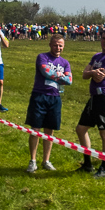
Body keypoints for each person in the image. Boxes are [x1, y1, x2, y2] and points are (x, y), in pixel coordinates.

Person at [25, 34, 72, 173]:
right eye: (55, 45)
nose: (58, 48)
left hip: (55, 98)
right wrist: (61, 76)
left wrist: (57, 75)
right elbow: (45, 72)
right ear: (50, 45)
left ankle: (46, 160)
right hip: (39, 96)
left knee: (49, 130)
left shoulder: (65, 63)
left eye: (60, 45)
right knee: (35, 129)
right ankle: (33, 161)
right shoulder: (42, 57)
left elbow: (69, 81)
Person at [76, 29, 105, 178]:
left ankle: (104, 166)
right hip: (94, 97)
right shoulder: (96, 56)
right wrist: (93, 72)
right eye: (103, 38)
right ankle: (87, 164)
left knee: (104, 132)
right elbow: (84, 75)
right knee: (81, 129)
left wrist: (91, 72)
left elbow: (99, 78)